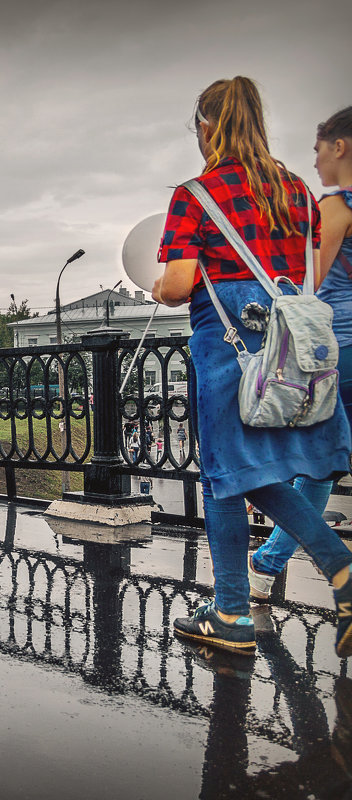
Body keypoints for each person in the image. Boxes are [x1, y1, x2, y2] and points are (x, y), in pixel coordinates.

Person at [153, 78, 352, 656]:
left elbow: (179, 283)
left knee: (224, 474)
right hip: (295, 345)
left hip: (231, 348)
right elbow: (308, 272)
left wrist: (160, 286)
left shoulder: (196, 194)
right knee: (251, 473)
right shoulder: (297, 189)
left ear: (207, 127)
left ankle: (233, 613)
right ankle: (330, 572)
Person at [249, 106, 352, 600]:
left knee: (311, 464)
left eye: (317, 150)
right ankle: (269, 560)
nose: (314, 161)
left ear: (340, 146)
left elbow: (305, 282)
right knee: (324, 463)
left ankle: (275, 564)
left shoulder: (335, 208)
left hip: (336, 353)